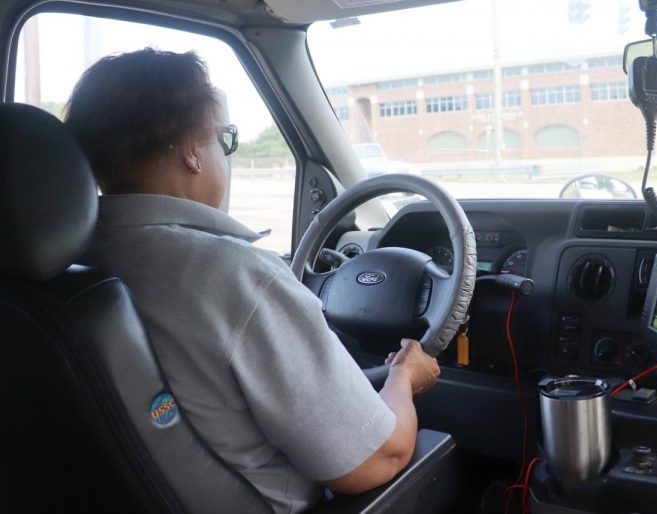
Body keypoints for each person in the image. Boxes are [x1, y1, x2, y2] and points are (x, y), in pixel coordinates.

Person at [65, 48, 440, 513]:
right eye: (224, 140)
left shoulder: (68, 262)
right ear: (189, 152)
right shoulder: (232, 274)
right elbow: (380, 457)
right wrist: (404, 376)